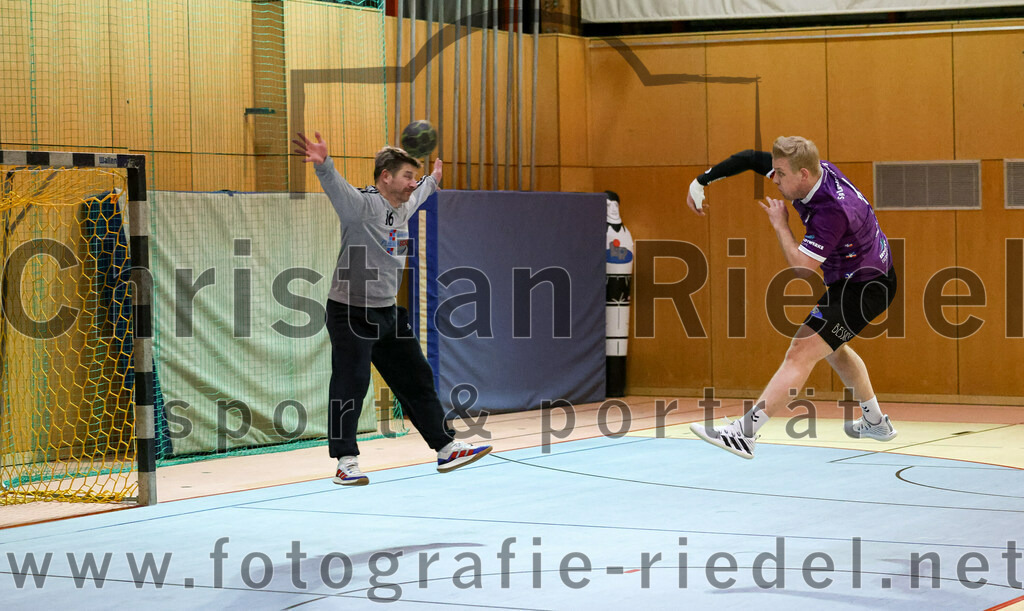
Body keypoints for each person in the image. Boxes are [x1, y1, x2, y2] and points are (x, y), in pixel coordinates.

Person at [293, 131, 492, 484]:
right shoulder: (361, 207)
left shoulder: (404, 205)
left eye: (414, 179)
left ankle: (445, 449)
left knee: (416, 377)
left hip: (387, 312)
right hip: (351, 312)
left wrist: (432, 180)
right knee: (350, 384)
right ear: (385, 177)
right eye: (407, 177)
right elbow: (336, 186)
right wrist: (325, 165)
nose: (412, 185)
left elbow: (423, 192)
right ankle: (345, 460)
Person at [686, 137, 898, 459]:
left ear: (802, 174)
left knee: (800, 351)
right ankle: (875, 422)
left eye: (781, 175)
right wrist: (701, 182)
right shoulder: (811, 174)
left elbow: (802, 270)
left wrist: (781, 225)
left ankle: (744, 433)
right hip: (853, 278)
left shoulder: (832, 211)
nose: (775, 180)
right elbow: (746, 158)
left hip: (867, 288)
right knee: (833, 350)